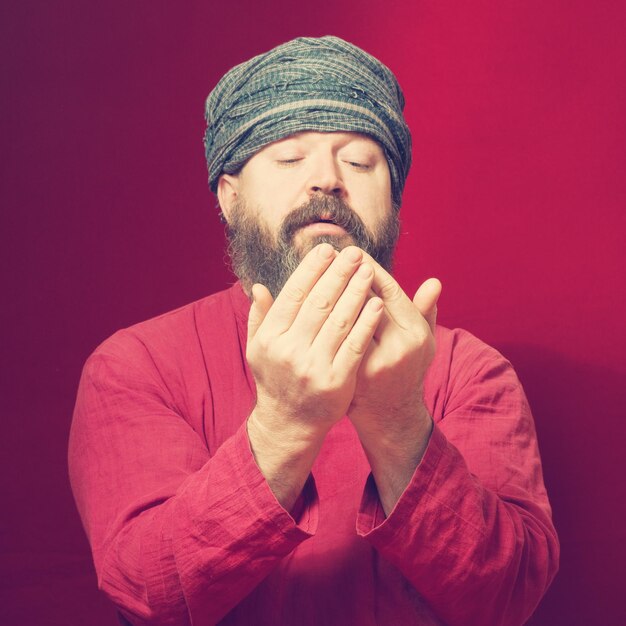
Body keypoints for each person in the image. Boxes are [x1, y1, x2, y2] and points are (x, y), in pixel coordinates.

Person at [69, 36, 559, 626]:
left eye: (358, 160)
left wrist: (399, 418)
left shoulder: (469, 370)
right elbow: (149, 591)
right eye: (288, 157)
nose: (326, 179)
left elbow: (507, 597)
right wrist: (287, 425)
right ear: (228, 198)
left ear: (394, 203)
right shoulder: (136, 364)